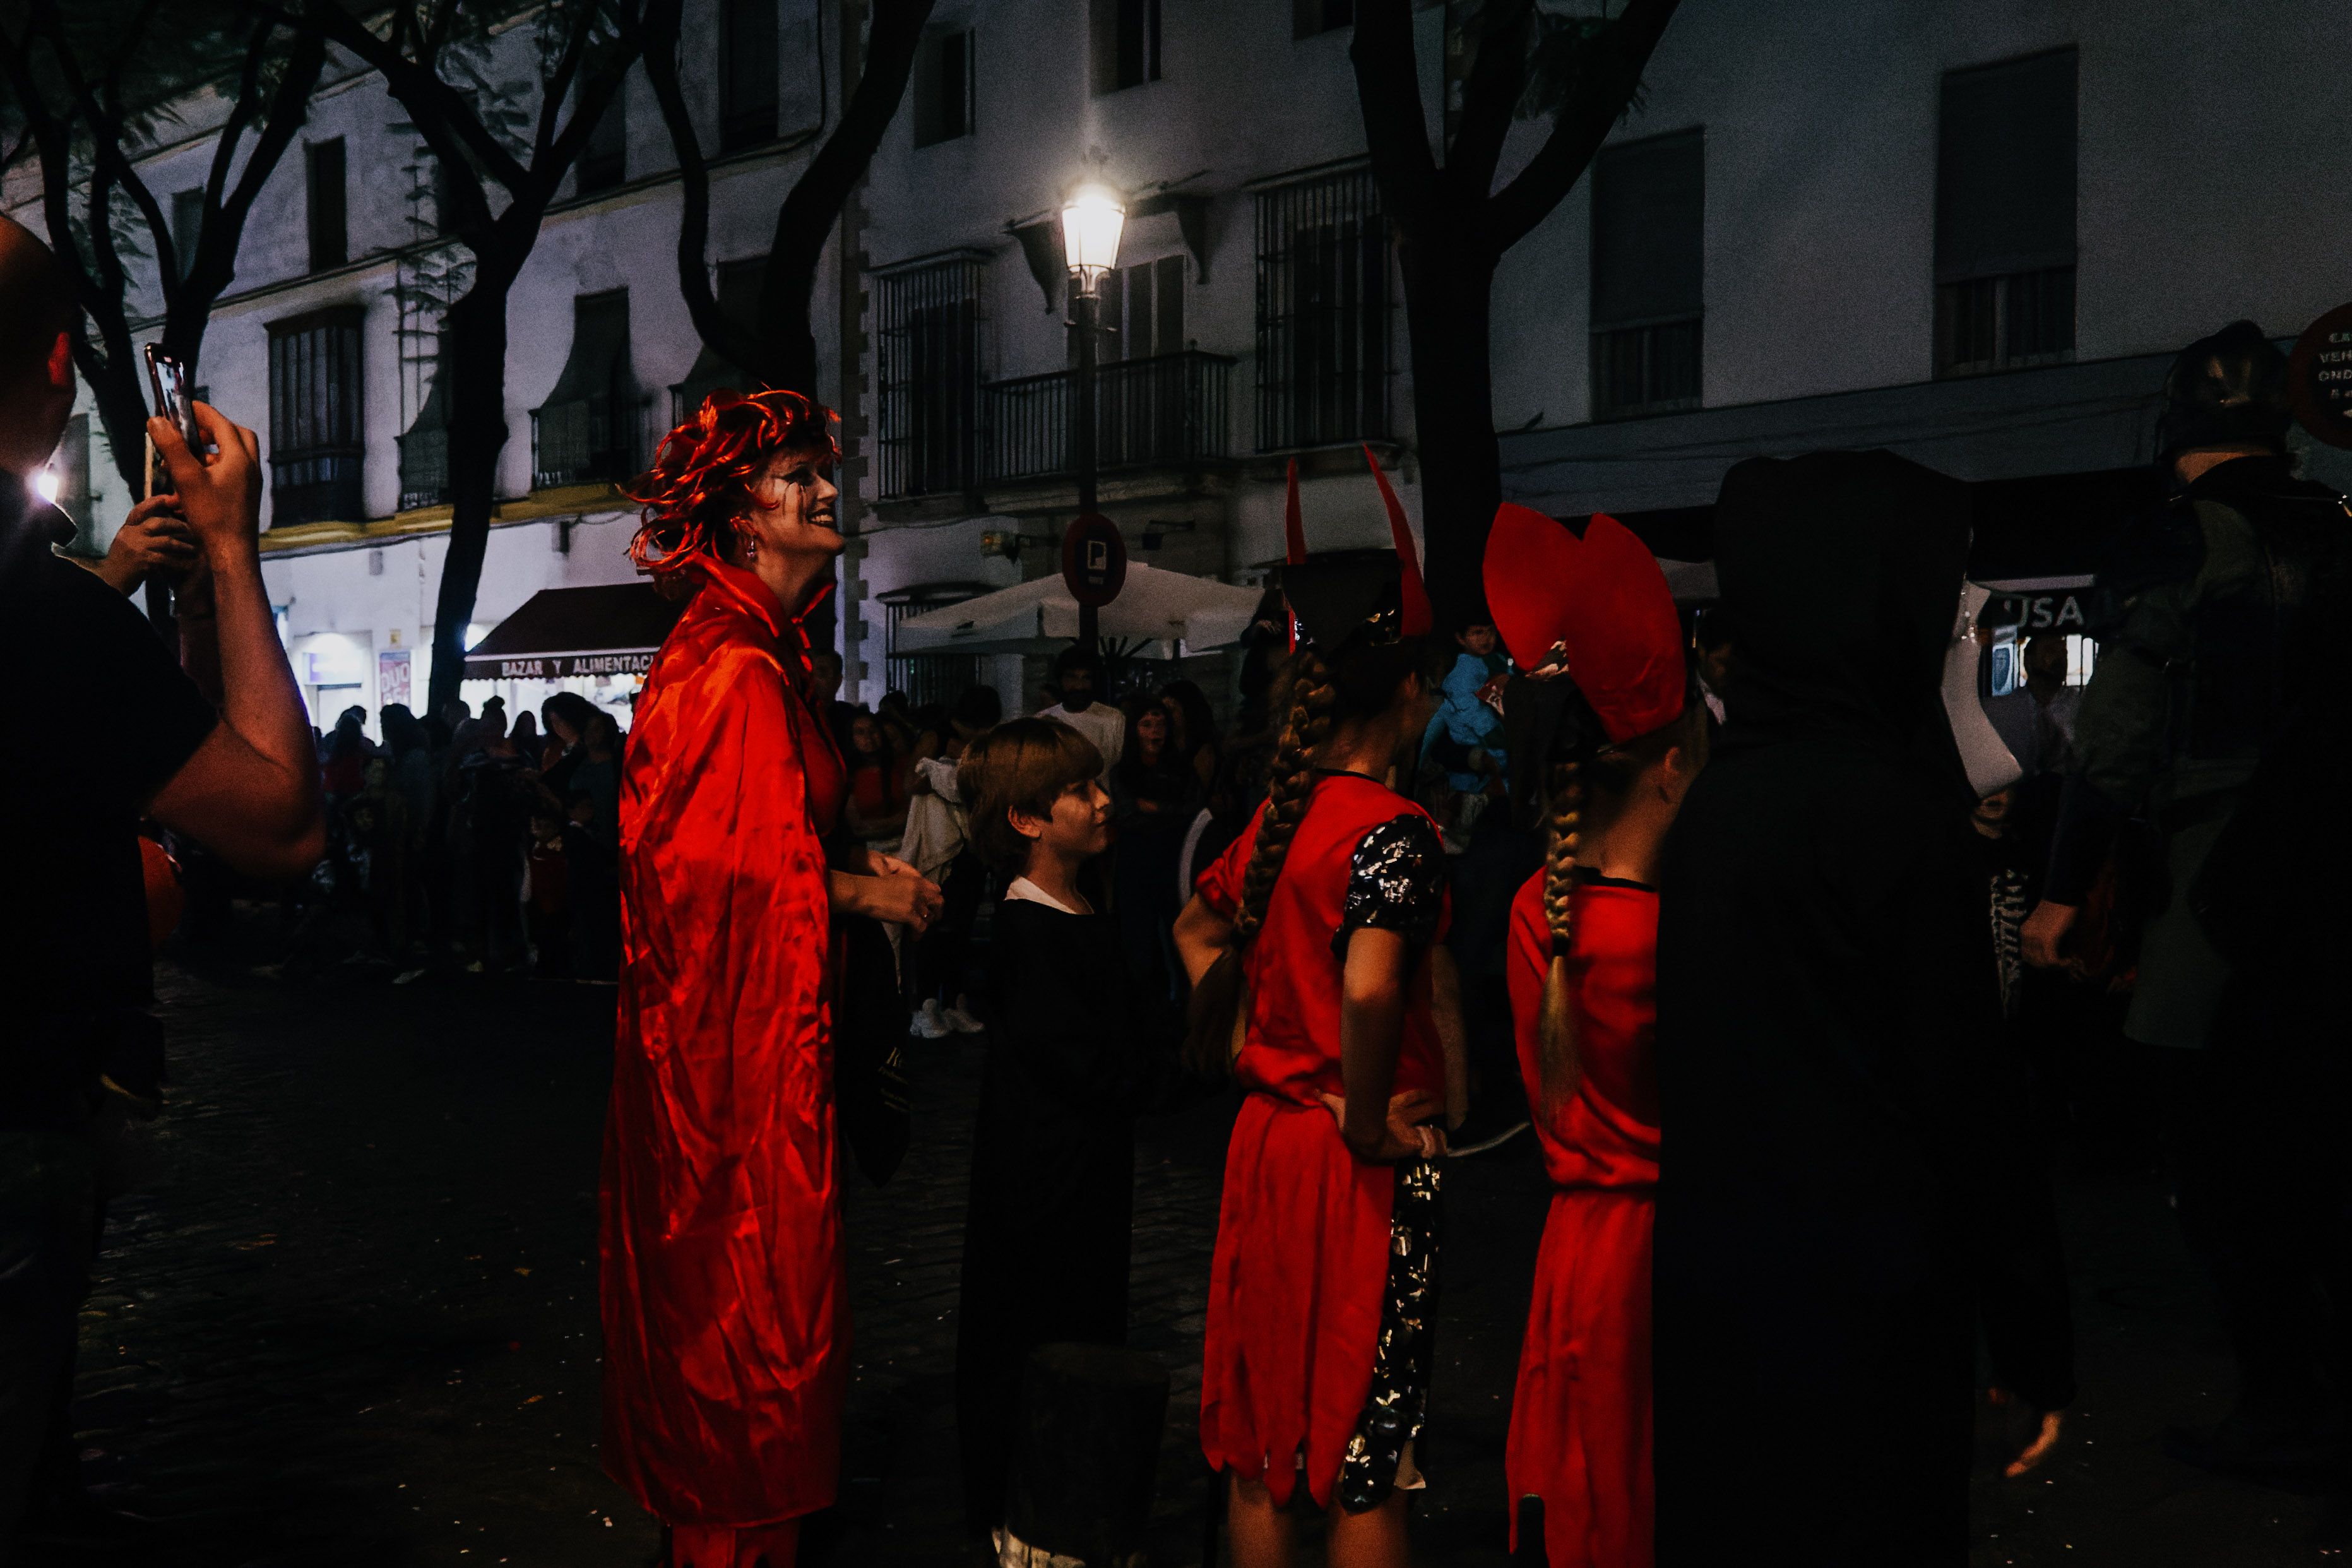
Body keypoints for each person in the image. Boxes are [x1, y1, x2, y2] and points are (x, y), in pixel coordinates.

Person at [1651, 451, 2074, 1565]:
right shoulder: (1890, 812)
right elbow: (1971, 1097)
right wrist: (2031, 1334)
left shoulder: (1714, 806)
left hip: (1720, 1296)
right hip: (1867, 1311)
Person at [0, 212, 322, 1555]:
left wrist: (136, 584)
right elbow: (279, 821)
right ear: (62, 367)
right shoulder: (46, 618)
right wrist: (231, 549)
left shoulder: (61, 604)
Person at [599, 389, 941, 1568]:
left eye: (820, 468)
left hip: (731, 1077)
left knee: (739, 1341)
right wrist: (861, 893)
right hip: (736, 1100)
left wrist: (846, 866)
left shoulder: (742, 654)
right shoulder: (735, 669)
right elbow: (713, 888)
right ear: (744, 512)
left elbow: (749, 845)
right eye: (799, 472)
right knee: (746, 1335)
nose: (827, 487)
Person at [2022, 321, 2352, 1481]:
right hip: (2333, 881)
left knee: (2226, 1164)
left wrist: (2062, 893)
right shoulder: (2341, 530)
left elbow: (2111, 749)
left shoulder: (2175, 546)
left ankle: (2281, 1401)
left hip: (2221, 887)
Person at [1174, 530, 1452, 1568]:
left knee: (1263, 1441)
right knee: (1363, 1451)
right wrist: (1369, 1114)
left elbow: (1195, 933)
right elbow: (1375, 982)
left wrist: (1271, 1061)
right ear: (1411, 691)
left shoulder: (1285, 821)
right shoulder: (1394, 832)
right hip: (1352, 1164)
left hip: (1268, 1143)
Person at [1478, 506, 1706, 1568]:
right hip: (1665, 1255)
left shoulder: (1540, 905)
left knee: (1582, 1502)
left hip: (1572, 1248)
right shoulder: (1678, 935)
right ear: (1669, 767)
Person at [950, 718, 1188, 1547]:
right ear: (1025, 820)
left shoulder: (1076, 907)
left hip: (1075, 1179)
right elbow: (1097, 1066)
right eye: (1079, 790)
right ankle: (1028, 1521)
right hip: (1044, 1195)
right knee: (1042, 1349)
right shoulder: (1031, 930)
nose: (1101, 801)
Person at [901, 684, 1000, 1038]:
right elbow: (911, 784)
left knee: (961, 926)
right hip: (938, 844)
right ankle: (925, 1004)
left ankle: (953, 1001)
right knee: (932, 926)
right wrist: (953, 776)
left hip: (970, 848)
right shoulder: (936, 737)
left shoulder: (984, 744)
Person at [1108, 699, 1199, 1002]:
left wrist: (1156, 808)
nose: (1155, 731)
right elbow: (1127, 815)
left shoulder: (1182, 769)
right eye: (1147, 724)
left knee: (1179, 934)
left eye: (1160, 724)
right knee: (1138, 941)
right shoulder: (1123, 772)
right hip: (1136, 865)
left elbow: (1193, 811)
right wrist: (1165, 813)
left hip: (1174, 862)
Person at [1034, 644, 1125, 784]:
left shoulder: (1114, 719)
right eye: (1072, 677)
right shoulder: (1042, 722)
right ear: (1060, 679)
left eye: (1086, 678)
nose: (1079, 686)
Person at [1157, 678, 1221, 793]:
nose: (1164, 717)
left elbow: (1197, 796)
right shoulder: (1165, 747)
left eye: (1171, 710)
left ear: (1188, 710)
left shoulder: (1203, 751)